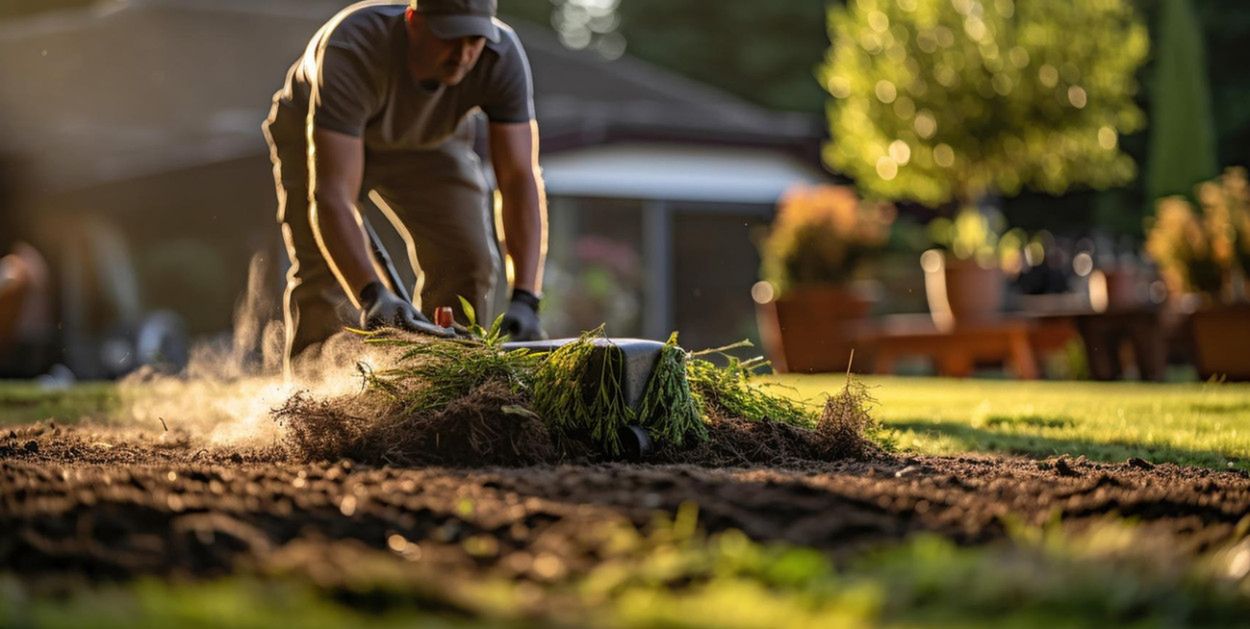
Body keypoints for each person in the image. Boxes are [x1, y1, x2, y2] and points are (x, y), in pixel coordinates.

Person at [263, 0, 548, 373]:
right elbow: (333, 195)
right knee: (324, 274)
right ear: (414, 21)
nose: (463, 54)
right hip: (320, 134)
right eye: (450, 37)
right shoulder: (353, 46)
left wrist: (527, 298)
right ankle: (310, 406)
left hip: (430, 140)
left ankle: (445, 390)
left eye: (474, 40)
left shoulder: (501, 55)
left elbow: (518, 180)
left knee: (467, 259)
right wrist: (372, 295)